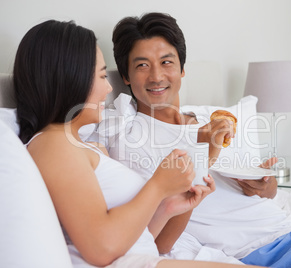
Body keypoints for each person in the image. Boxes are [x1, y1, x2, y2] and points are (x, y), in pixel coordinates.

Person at [94, 12, 291, 267]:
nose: (157, 77)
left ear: (183, 69)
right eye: (142, 65)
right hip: (265, 245)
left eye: (167, 62)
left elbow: (249, 187)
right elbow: (159, 234)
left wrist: (266, 187)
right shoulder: (131, 136)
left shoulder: (208, 120)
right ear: (125, 76)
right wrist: (209, 153)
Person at [13, 19, 267, 268]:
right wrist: (157, 186)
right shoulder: (54, 144)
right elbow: (102, 249)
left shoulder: (80, 146)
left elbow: (140, 240)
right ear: (70, 79)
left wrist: (170, 206)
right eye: (102, 76)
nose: (108, 88)